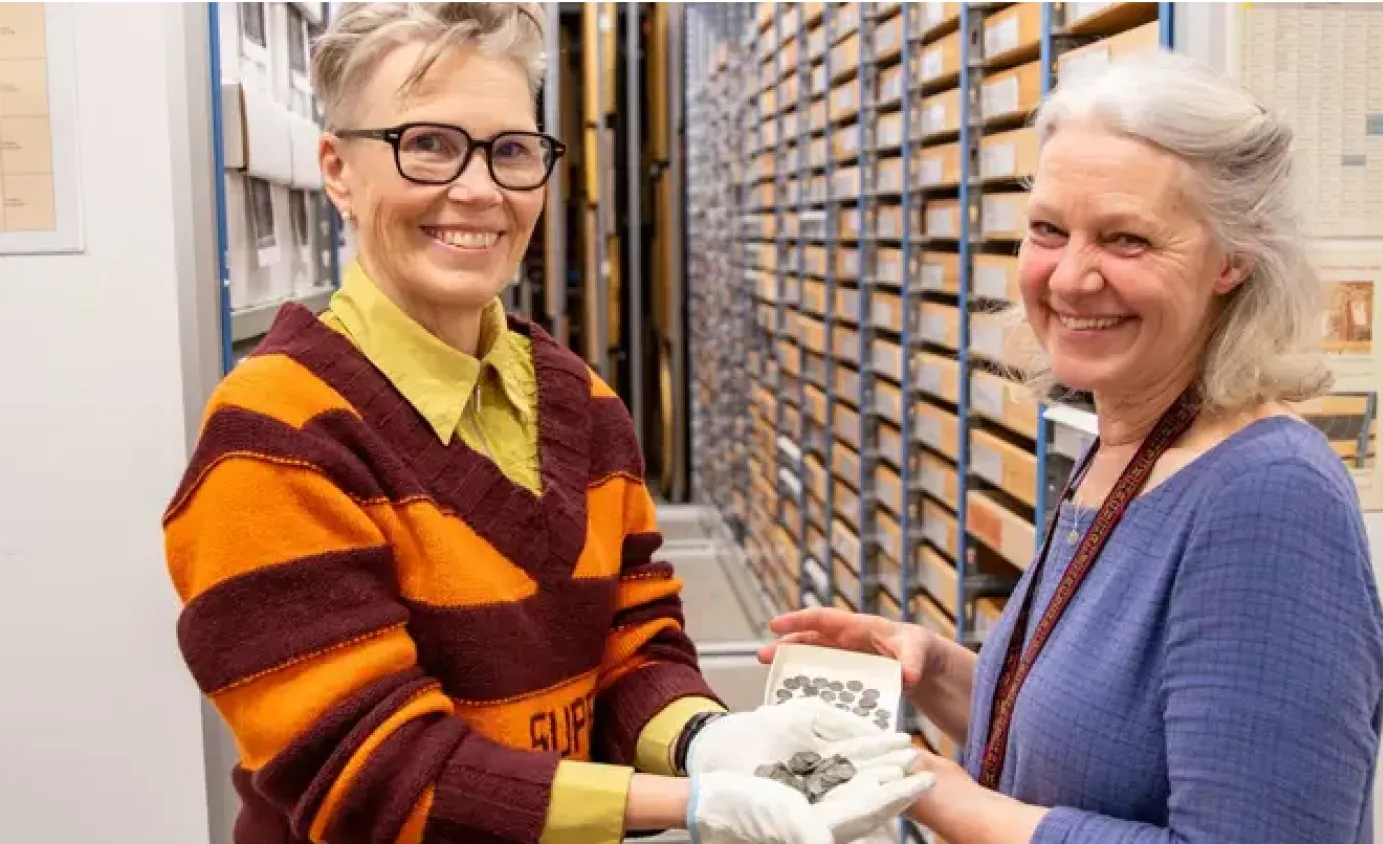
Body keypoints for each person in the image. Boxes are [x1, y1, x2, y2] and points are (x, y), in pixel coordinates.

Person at [162, 4, 930, 843]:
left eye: (512, 151)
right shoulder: (275, 440)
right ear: (337, 169)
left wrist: (712, 739)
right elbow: (374, 775)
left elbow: (632, 647)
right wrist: (690, 802)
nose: (479, 189)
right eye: (427, 144)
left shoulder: (580, 401)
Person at [760, 51, 1383, 844]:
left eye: (1126, 240)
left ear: (1233, 257)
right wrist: (943, 673)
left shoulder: (1267, 499)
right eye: (1049, 231)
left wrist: (934, 792)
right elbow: (1107, 746)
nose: (1070, 280)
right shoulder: (1129, 443)